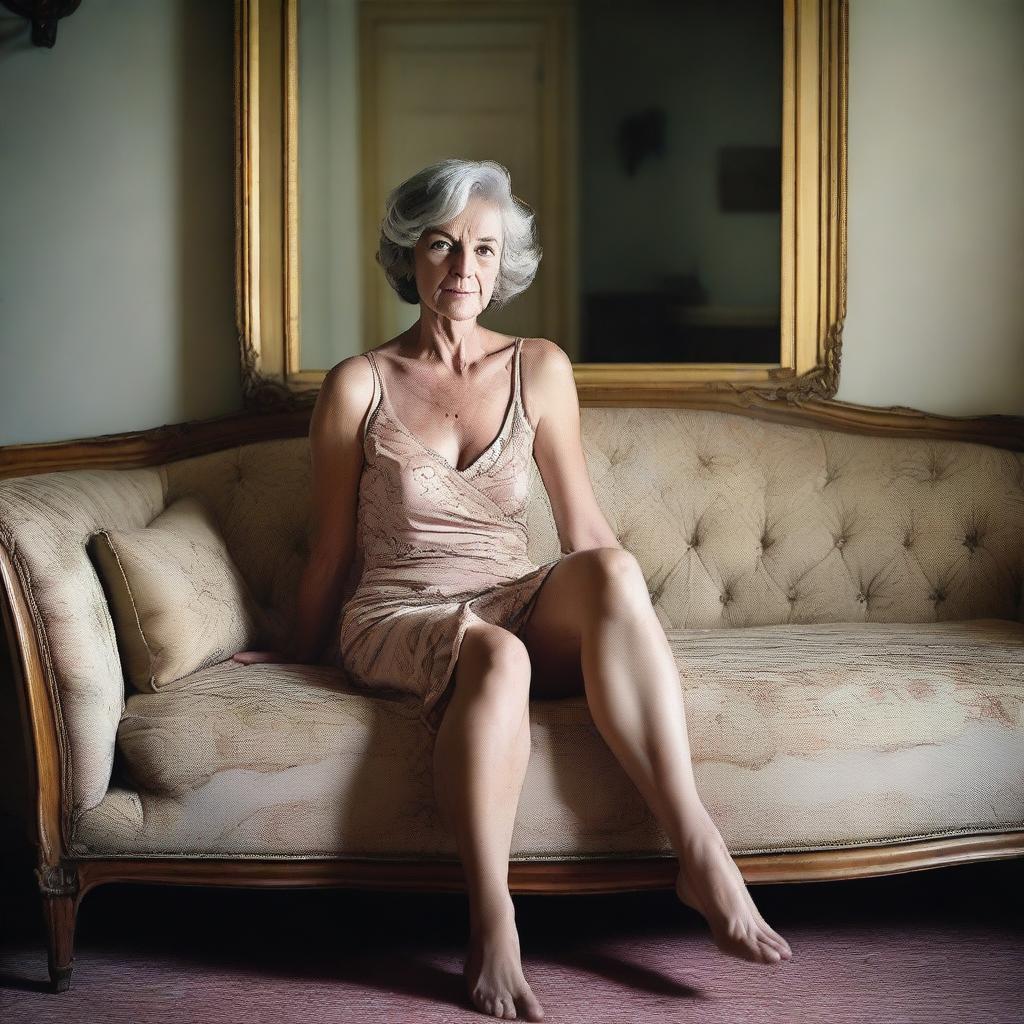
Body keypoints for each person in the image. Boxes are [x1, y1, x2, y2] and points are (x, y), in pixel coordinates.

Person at [234, 158, 792, 1021]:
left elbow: (587, 532)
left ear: (506, 266)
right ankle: (493, 919)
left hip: (513, 594)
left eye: (485, 250)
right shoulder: (360, 384)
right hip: (400, 610)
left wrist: (629, 618)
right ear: (408, 257)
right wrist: (294, 652)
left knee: (612, 571)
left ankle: (700, 852)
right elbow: (331, 551)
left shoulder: (540, 368)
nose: (465, 269)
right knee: (493, 656)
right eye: (443, 245)